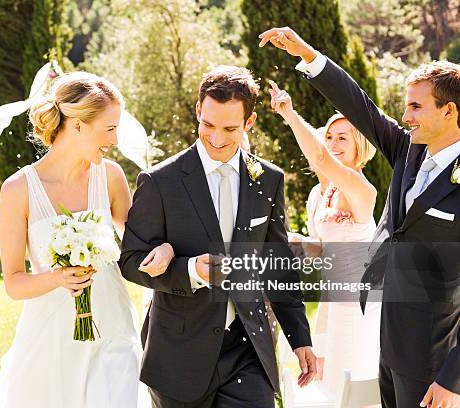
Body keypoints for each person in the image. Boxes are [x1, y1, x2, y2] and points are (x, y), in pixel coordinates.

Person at [259, 26, 460, 407]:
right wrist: (306, 53)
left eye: (416, 107)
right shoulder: (408, 152)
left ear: (449, 110)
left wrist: (453, 378)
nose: (405, 116)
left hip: (434, 353)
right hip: (385, 337)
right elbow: (359, 105)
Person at [120, 65, 316, 407]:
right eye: (208, 124)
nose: (217, 138)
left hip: (248, 350)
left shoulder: (268, 179)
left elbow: (278, 266)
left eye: (230, 128)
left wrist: (300, 338)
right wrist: (191, 270)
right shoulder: (159, 181)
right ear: (198, 110)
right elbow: (131, 262)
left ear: (249, 123)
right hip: (179, 357)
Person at [0, 72, 140, 408]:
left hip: (113, 329)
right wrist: (58, 277)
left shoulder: (111, 177)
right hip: (51, 340)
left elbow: (140, 245)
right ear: (77, 125)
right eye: (109, 128)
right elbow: (14, 284)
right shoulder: (18, 190)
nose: (114, 140)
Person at [269, 82, 381, 393]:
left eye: (342, 138)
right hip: (332, 298)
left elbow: (319, 158)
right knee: (328, 382)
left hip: (359, 303)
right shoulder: (324, 192)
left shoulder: (361, 189)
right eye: (328, 136)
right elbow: (323, 249)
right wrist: (291, 241)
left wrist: (289, 114)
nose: (332, 143)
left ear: (360, 144)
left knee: (350, 386)